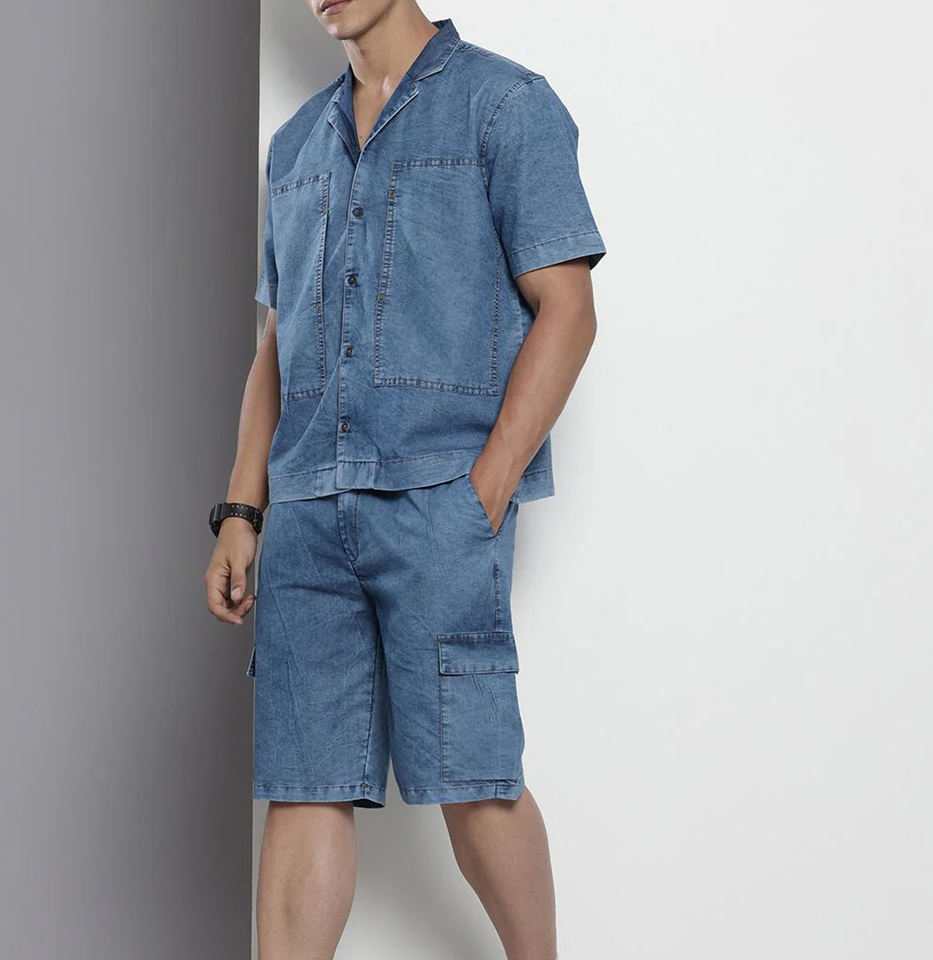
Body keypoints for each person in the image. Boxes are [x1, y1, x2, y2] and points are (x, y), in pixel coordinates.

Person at [204, 2, 606, 957]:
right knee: (302, 786)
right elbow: (277, 344)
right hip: (306, 514)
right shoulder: (295, 144)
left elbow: (568, 310)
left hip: (437, 505)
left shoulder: (505, 106)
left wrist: (484, 489)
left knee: (474, 778)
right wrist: (242, 508)